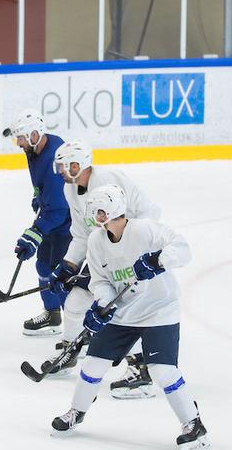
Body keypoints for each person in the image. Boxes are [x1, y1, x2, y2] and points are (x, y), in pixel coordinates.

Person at [50, 184, 208, 450]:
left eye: (100, 211)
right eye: (94, 212)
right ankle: (76, 412)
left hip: (159, 310)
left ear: (113, 208)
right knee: (92, 366)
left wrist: (158, 260)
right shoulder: (96, 241)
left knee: (162, 370)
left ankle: (193, 424)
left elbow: (183, 249)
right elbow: (100, 281)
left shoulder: (144, 229)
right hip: (124, 313)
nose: (96, 217)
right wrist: (103, 305)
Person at [43, 140, 162, 397]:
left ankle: (140, 369)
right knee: (76, 301)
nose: (60, 171)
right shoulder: (71, 190)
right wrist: (68, 265)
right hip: (106, 252)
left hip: (132, 252)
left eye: (64, 166)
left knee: (121, 312)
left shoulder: (110, 179)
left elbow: (149, 212)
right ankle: (71, 350)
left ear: (77, 164)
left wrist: (136, 250)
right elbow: (82, 233)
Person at [5, 109, 71, 336]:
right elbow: (44, 188)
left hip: (67, 224)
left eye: (20, 138)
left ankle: (78, 330)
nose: (18, 144)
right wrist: (38, 196)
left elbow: (60, 210)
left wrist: (34, 235)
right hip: (51, 215)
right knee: (43, 266)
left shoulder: (54, 157)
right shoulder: (35, 150)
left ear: (34, 134)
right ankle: (52, 316)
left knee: (59, 275)